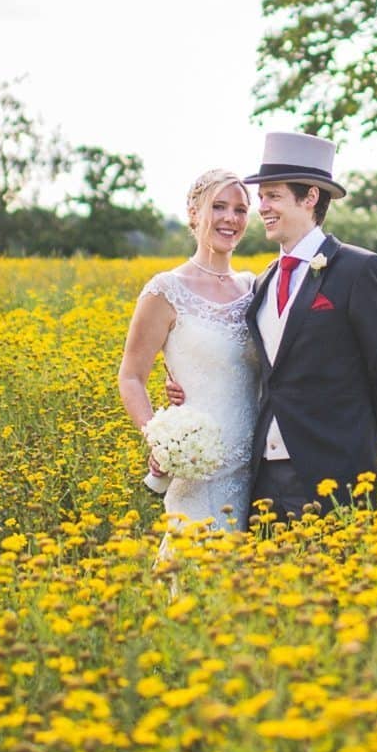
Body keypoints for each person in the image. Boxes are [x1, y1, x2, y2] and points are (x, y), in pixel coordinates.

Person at [242, 130, 377, 521]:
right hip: (263, 480)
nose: (262, 207)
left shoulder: (358, 269)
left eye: (273, 196)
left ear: (310, 197)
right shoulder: (263, 281)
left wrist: (353, 442)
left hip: (335, 475)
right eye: (261, 197)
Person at [117, 170, 259, 533]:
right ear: (194, 212)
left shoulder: (255, 287)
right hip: (200, 470)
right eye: (219, 206)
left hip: (260, 473)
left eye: (241, 210)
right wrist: (161, 440)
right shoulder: (165, 290)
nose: (231, 218)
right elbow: (131, 377)